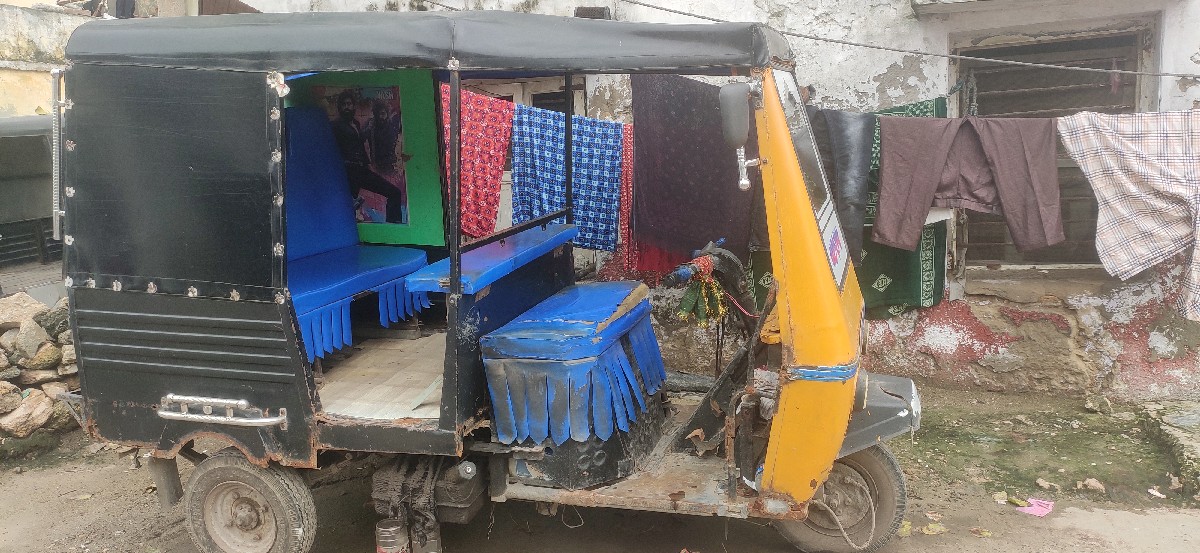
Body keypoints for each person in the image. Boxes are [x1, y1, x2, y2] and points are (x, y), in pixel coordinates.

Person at [331, 91, 406, 224]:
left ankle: (393, 225)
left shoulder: (356, 124)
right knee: (349, 207)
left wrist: (367, 164)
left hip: (361, 169)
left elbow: (360, 145)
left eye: (349, 104)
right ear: (340, 107)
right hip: (348, 171)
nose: (347, 107)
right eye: (344, 104)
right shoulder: (336, 126)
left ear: (354, 106)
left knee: (394, 192)